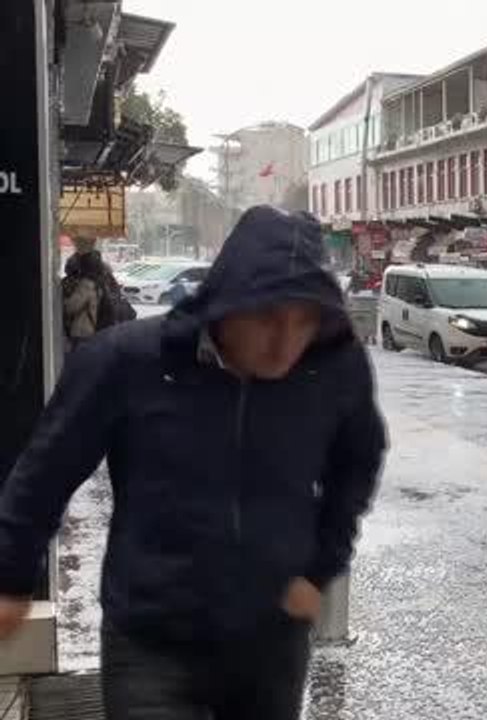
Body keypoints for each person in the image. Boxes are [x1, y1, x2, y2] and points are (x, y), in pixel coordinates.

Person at [0, 207, 388, 720]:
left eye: (305, 320)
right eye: (269, 317)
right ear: (228, 302)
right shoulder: (128, 361)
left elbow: (358, 461)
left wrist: (320, 568)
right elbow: (45, 472)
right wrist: (11, 577)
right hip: (153, 641)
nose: (286, 341)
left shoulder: (333, 367)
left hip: (271, 636)